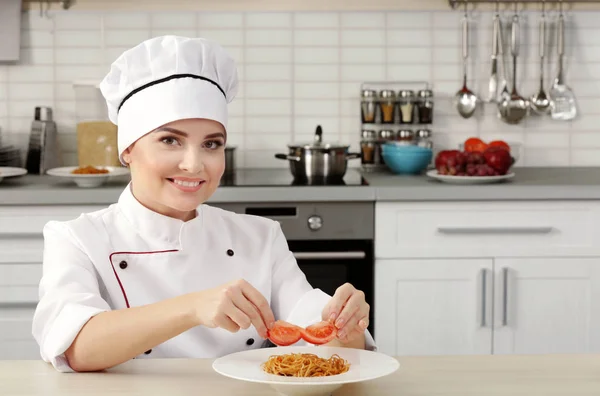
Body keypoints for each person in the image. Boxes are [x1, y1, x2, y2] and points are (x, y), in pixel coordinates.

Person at [31, 36, 375, 373]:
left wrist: (347, 324)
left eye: (212, 144)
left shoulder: (260, 236)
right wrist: (193, 307)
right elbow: (76, 347)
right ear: (128, 150)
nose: (194, 165)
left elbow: (329, 347)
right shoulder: (78, 238)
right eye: (170, 140)